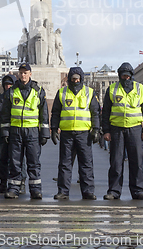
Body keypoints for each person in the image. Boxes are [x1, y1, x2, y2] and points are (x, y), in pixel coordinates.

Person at [102, 62, 143, 200]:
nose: (126, 78)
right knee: (116, 162)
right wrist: (106, 131)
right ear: (119, 76)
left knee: (136, 162)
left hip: (135, 129)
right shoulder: (112, 89)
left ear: (132, 76)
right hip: (116, 130)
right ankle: (113, 191)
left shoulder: (140, 89)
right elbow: (105, 112)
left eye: (128, 76)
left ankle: (138, 191)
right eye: (123, 76)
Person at [1, 62, 49, 199]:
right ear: (18, 74)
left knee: (33, 162)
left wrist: (45, 133)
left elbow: (43, 113)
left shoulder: (38, 91)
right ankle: (14, 189)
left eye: (25, 72)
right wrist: (5, 132)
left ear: (30, 74)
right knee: (15, 162)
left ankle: (35, 190)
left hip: (32, 131)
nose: (23, 75)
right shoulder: (11, 91)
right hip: (16, 131)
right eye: (21, 72)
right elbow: (5, 114)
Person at [51, 67, 100, 200]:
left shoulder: (89, 92)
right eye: (73, 78)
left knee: (86, 163)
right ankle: (63, 191)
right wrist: (54, 129)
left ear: (82, 79)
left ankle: (88, 191)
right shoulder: (62, 92)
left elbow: (95, 112)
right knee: (65, 164)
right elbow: (55, 112)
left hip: (84, 134)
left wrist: (96, 129)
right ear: (69, 79)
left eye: (78, 78)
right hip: (67, 134)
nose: (75, 80)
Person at [0, 74, 17, 194]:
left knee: (17, 160)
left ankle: (19, 183)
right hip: (2, 133)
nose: (8, 86)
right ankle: (3, 183)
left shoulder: (18, 97)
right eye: (6, 84)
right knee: (2, 159)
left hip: (16, 132)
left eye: (10, 84)